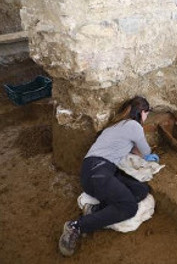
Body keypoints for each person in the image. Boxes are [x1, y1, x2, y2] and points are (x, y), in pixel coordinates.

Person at [59, 96, 159, 257]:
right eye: (147, 113)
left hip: (100, 171)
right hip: (97, 169)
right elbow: (145, 151)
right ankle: (75, 226)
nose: (147, 117)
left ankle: (94, 210)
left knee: (141, 189)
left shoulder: (116, 126)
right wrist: (149, 156)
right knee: (129, 207)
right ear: (141, 112)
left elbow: (130, 149)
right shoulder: (134, 125)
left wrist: (137, 152)